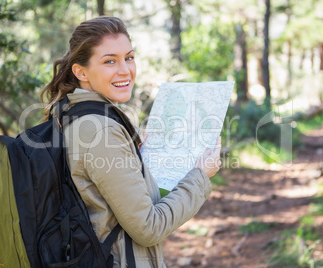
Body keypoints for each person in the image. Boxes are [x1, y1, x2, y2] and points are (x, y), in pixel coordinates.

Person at [40, 16, 222, 268]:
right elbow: (149, 227)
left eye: (129, 57)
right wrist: (200, 176)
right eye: (109, 61)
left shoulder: (71, 116)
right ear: (81, 72)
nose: (125, 70)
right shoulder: (101, 131)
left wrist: (135, 154)